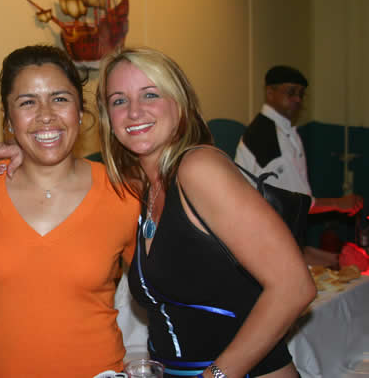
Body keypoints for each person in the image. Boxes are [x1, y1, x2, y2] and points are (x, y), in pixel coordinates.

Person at [97, 48, 316, 377]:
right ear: (108, 119)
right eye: (119, 101)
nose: (134, 111)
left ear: (180, 103)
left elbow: (295, 287)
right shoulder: (143, 187)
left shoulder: (199, 168)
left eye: (150, 94)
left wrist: (216, 375)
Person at [0, 45, 140, 378]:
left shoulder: (122, 194)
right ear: (8, 119)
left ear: (80, 111)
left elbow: (168, 290)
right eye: (27, 102)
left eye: (60, 99)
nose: (46, 115)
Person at [235, 65, 364, 267]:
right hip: (263, 249)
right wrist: (338, 203)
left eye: (301, 94)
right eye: (291, 92)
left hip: (277, 245)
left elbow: (294, 240)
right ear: (270, 92)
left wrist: (338, 260)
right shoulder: (267, 137)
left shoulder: (285, 132)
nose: (297, 99)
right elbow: (294, 202)